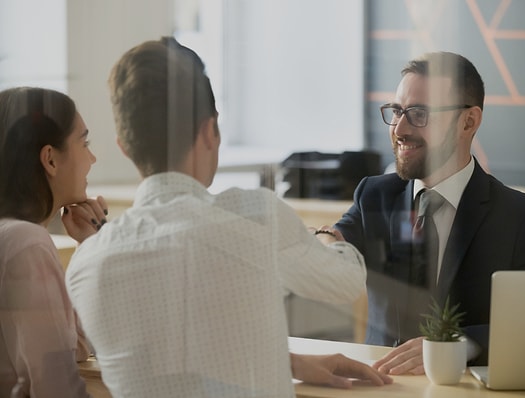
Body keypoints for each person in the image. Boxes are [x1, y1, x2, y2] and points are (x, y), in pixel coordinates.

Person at [65, 37, 392, 397]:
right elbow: (345, 282)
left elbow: (172, 359)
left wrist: (290, 362)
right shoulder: (254, 216)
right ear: (210, 130)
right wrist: (326, 235)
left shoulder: (86, 264)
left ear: (124, 147)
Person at [330, 51, 525, 374]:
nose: (399, 129)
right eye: (397, 111)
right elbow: (336, 241)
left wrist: (455, 344)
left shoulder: (524, 218)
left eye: (419, 114)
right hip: (379, 388)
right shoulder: (373, 195)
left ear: (469, 121)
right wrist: (323, 242)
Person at [0, 87, 107, 397]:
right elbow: (57, 386)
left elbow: (75, 348)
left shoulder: (15, 236)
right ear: (50, 159)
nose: (92, 158)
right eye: (84, 143)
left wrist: (88, 247)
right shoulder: (27, 243)